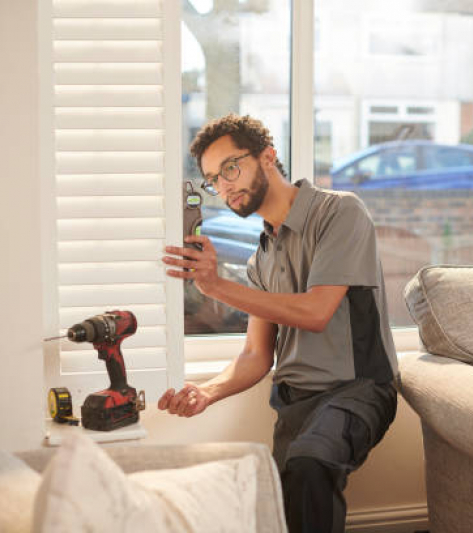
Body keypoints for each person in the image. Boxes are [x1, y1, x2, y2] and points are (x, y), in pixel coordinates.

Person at [159, 114, 399, 533]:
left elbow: (315, 312)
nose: (224, 186)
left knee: (310, 464)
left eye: (230, 168)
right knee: (277, 509)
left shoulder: (339, 212)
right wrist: (206, 392)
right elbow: (255, 355)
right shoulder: (261, 259)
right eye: (214, 179)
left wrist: (214, 287)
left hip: (358, 390)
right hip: (295, 405)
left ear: (267, 157)